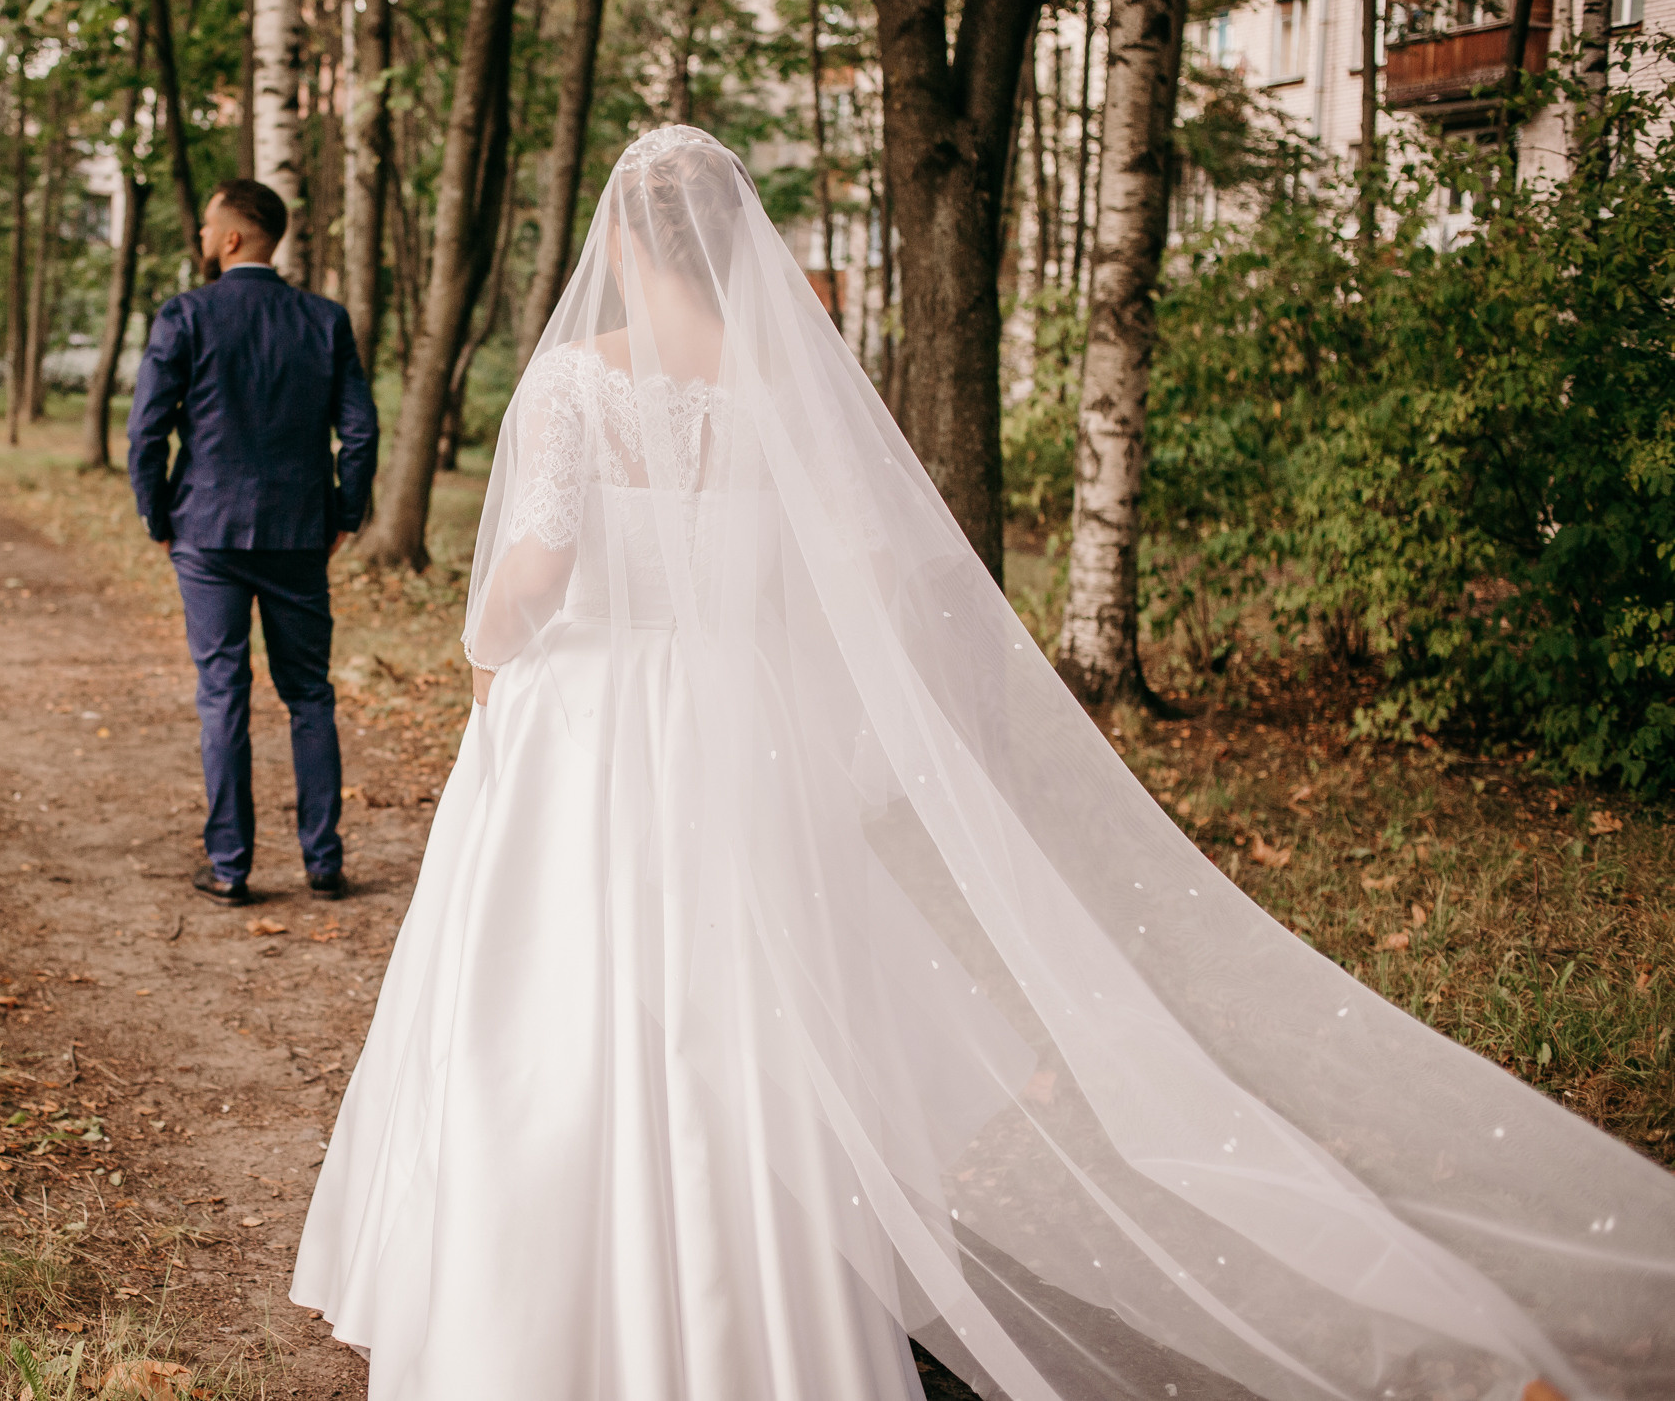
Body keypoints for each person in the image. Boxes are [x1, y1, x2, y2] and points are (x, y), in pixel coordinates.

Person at [290, 127, 1675, 1401]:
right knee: (746, 1017)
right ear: (723, 236)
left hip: (591, 730)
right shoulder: (778, 389)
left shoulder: (576, 386)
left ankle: (547, 1310)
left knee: (566, 1008)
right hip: (731, 728)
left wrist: (495, 639)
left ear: (632, 243)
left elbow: (531, 578)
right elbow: (863, 578)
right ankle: (753, 1309)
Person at [127, 179, 379, 905]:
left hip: (206, 532)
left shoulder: (186, 315)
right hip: (300, 532)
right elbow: (359, 431)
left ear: (233, 237)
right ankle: (322, 861)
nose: (202, 238)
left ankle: (231, 866)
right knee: (309, 694)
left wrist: (157, 516)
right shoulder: (324, 320)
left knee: (223, 693)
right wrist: (345, 514)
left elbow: (146, 429)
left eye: (208, 226)